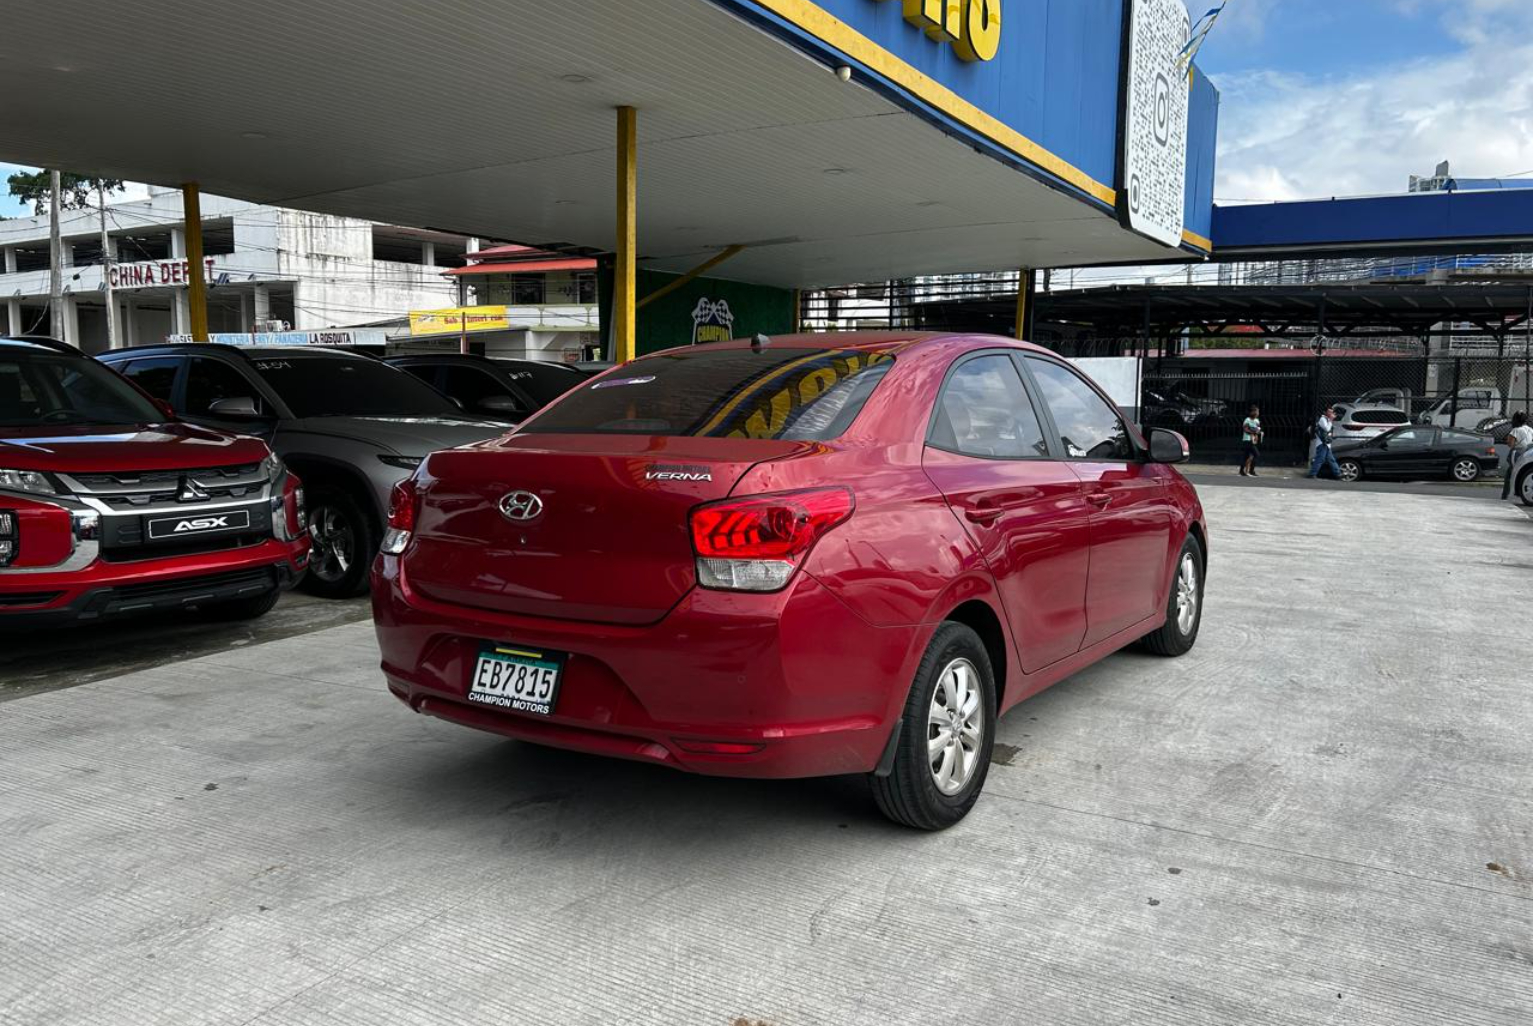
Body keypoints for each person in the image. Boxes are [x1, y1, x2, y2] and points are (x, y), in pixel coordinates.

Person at [1501, 411, 1533, 500]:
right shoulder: (1530, 429)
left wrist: (1508, 439)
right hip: (1528, 453)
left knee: (1510, 474)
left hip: (1517, 454)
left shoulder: (1515, 430)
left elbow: (1510, 444)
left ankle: (1505, 496)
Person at [1306, 406, 1341, 479]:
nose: (1330, 413)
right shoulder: (1322, 419)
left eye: (1331, 411)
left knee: (1331, 459)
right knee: (1320, 459)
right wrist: (1331, 420)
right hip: (1322, 443)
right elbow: (1327, 429)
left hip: (1326, 443)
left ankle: (1338, 474)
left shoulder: (1327, 419)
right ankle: (1312, 474)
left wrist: (1330, 420)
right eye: (1329, 411)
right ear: (1325, 412)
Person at [1239, 404, 1263, 477]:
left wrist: (1259, 432)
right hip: (1247, 440)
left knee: (1246, 456)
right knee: (1257, 454)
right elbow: (1245, 429)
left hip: (1253, 440)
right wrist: (1254, 431)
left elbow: (1258, 429)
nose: (1257, 413)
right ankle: (1251, 471)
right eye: (1256, 411)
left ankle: (1241, 471)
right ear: (1252, 412)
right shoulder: (1247, 420)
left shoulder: (1257, 421)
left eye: (1258, 412)